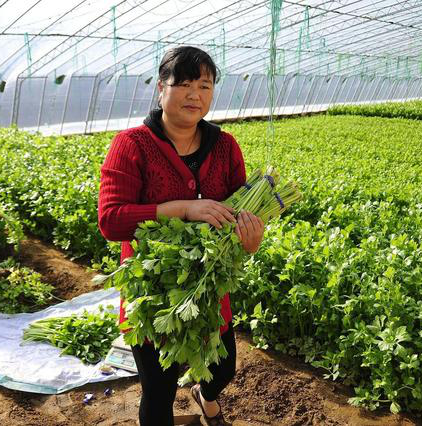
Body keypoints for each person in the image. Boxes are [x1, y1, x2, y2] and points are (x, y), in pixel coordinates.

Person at [98, 46, 265, 426]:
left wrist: (249, 241)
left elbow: (239, 212)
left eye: (205, 86)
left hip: (207, 286)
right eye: (184, 84)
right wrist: (183, 207)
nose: (195, 95)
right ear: (161, 88)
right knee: (158, 392)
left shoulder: (226, 147)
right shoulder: (132, 145)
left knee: (222, 370)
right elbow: (111, 221)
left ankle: (204, 395)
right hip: (153, 294)